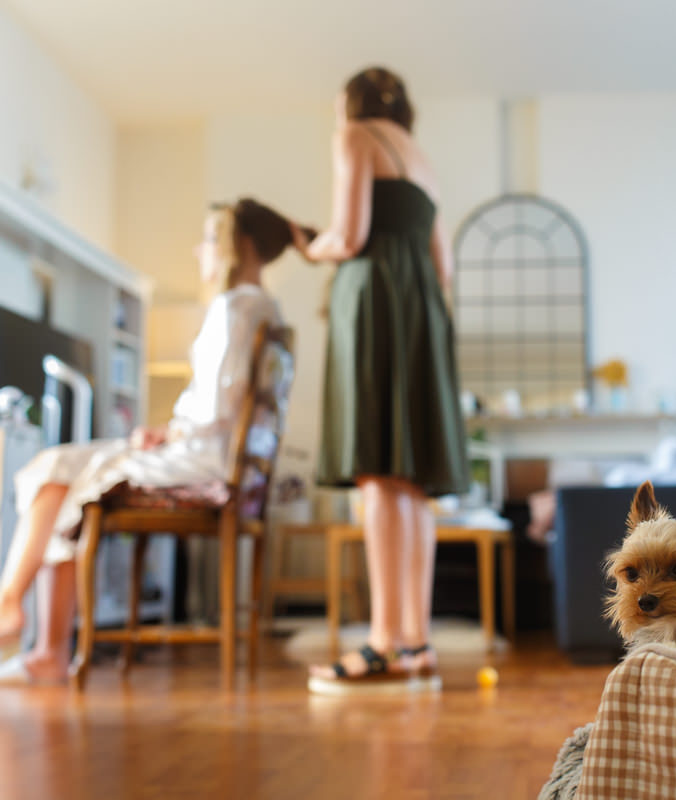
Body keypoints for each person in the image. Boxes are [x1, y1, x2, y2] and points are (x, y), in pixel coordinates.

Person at [0, 198, 298, 684]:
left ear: (237, 244)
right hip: (222, 458)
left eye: (207, 239)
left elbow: (212, 410)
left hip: (202, 461)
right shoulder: (268, 310)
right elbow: (230, 406)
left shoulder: (234, 308)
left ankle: (20, 622)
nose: (198, 249)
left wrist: (170, 435)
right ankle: (32, 635)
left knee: (54, 469)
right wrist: (169, 431)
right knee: (59, 471)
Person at [296, 66, 469, 692]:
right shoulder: (422, 162)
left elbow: (350, 235)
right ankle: (415, 643)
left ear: (351, 103)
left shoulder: (354, 137)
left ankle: (380, 643)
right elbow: (442, 264)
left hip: (373, 302)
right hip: (421, 307)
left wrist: (307, 244)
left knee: (377, 473)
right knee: (410, 483)